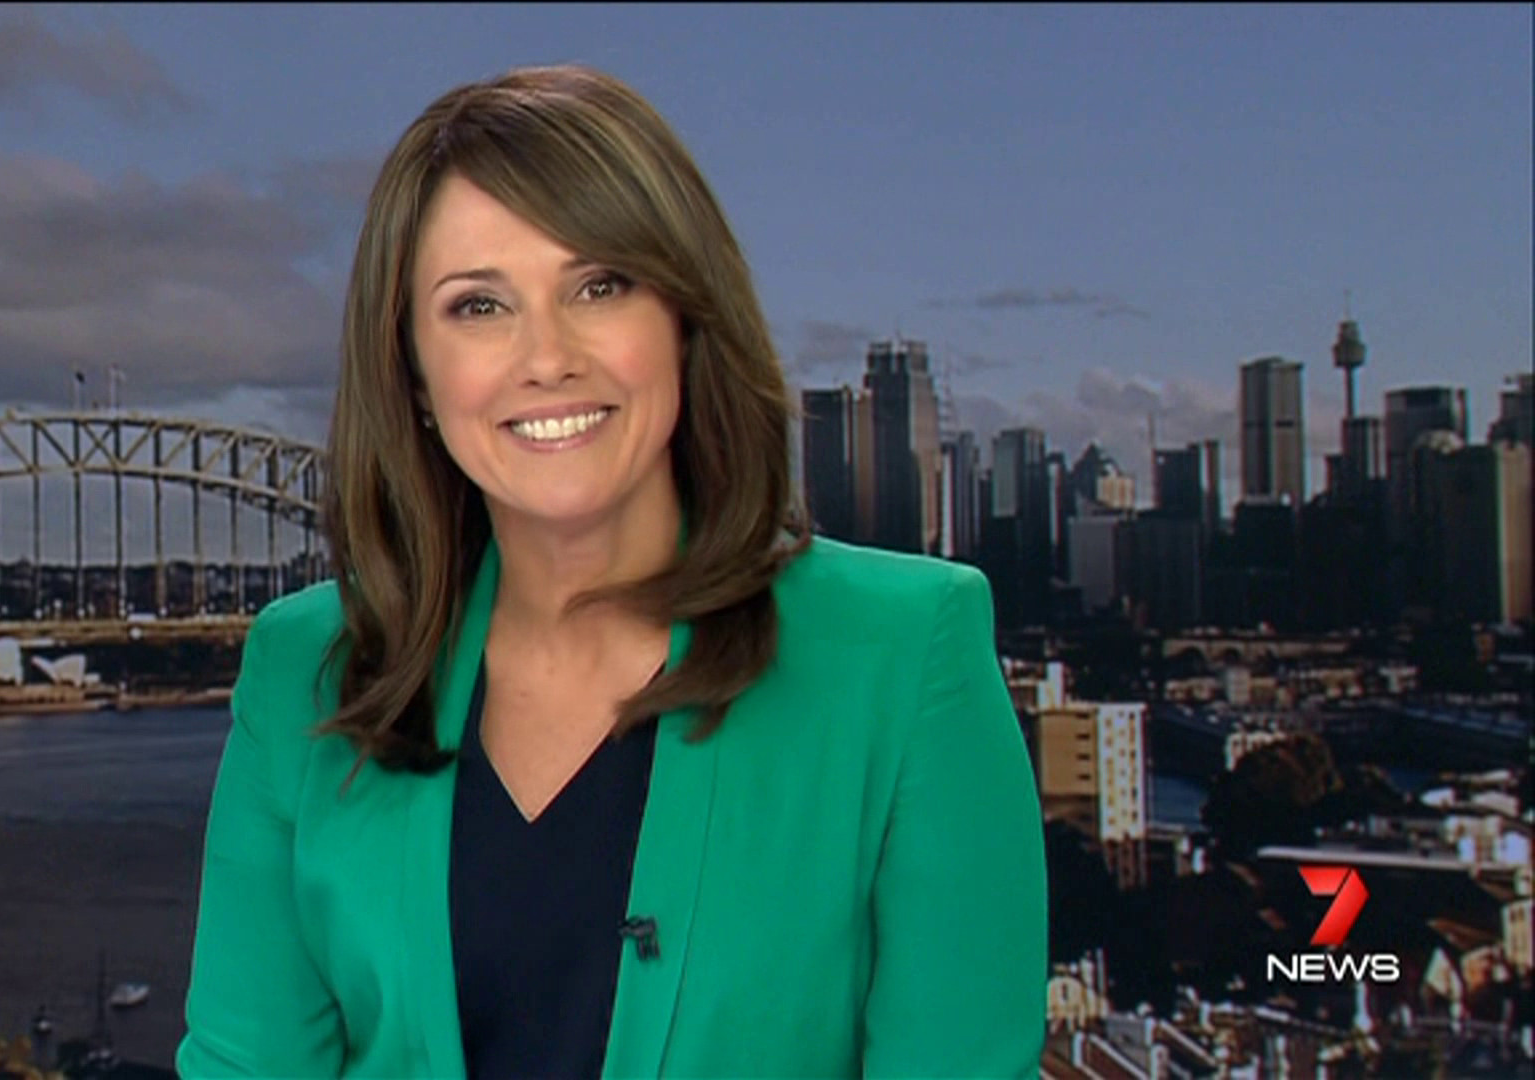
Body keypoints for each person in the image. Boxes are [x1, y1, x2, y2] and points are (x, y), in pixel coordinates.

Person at [179, 64, 1047, 1079]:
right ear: (412, 373)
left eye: (599, 286)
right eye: (478, 306)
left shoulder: (907, 656)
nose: (547, 358)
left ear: (685, 317)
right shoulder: (304, 671)